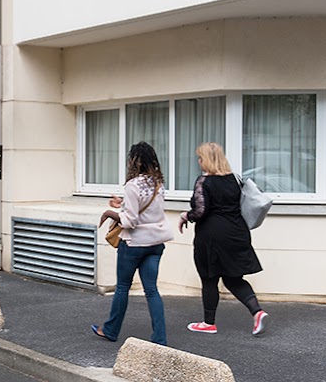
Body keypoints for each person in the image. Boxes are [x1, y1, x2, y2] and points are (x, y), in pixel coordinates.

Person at [179, 142, 268, 336]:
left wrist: (186, 216)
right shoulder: (235, 179)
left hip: (212, 236)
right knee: (234, 278)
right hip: (237, 233)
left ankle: (208, 323)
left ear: (208, 160)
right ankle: (257, 312)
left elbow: (201, 210)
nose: (199, 162)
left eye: (200, 158)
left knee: (209, 278)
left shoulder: (204, 181)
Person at [91, 142, 174, 346]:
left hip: (134, 244)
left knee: (122, 287)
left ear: (133, 161)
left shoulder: (132, 185)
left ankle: (110, 330)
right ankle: (160, 338)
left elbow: (131, 221)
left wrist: (110, 212)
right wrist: (122, 205)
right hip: (155, 243)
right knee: (152, 290)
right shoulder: (158, 184)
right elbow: (145, 212)